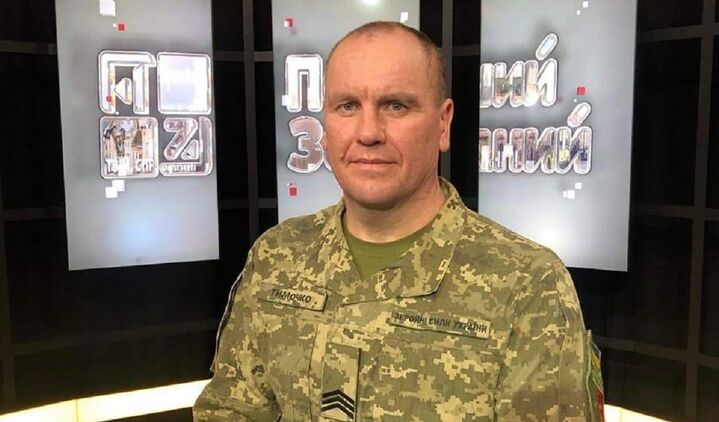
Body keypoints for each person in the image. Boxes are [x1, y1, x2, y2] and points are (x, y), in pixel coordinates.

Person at [194, 21, 603, 421]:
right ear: (326, 125)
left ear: (443, 123)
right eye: (347, 106)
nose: (368, 132)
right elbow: (230, 411)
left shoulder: (528, 283)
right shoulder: (277, 256)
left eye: (396, 106)